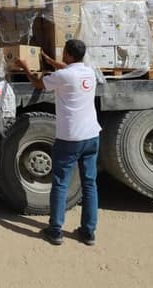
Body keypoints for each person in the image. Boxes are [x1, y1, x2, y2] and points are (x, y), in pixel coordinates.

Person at [16, 39, 101, 246]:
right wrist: (50, 61)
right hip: (92, 136)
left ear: (69, 54)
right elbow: (68, 71)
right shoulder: (89, 72)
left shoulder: (63, 76)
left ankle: (55, 230)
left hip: (70, 138)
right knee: (90, 184)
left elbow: (38, 83)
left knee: (61, 183)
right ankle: (88, 232)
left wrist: (25, 66)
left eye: (64, 53)